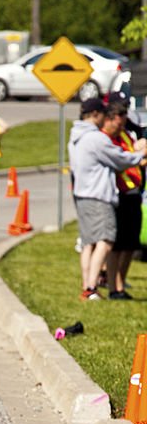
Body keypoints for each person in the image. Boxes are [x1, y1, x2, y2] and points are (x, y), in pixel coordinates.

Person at [68, 98, 146, 301]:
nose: (104, 119)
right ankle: (92, 287)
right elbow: (120, 159)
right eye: (103, 114)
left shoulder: (76, 136)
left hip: (82, 194)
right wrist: (140, 154)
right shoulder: (95, 138)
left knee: (88, 244)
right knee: (106, 241)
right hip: (98, 195)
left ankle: (87, 286)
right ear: (95, 114)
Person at [104, 101, 146, 299]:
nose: (122, 126)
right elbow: (121, 161)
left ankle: (121, 282)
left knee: (130, 244)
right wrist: (139, 154)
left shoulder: (127, 136)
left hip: (134, 193)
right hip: (119, 194)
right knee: (118, 244)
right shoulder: (108, 140)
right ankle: (114, 286)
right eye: (119, 123)